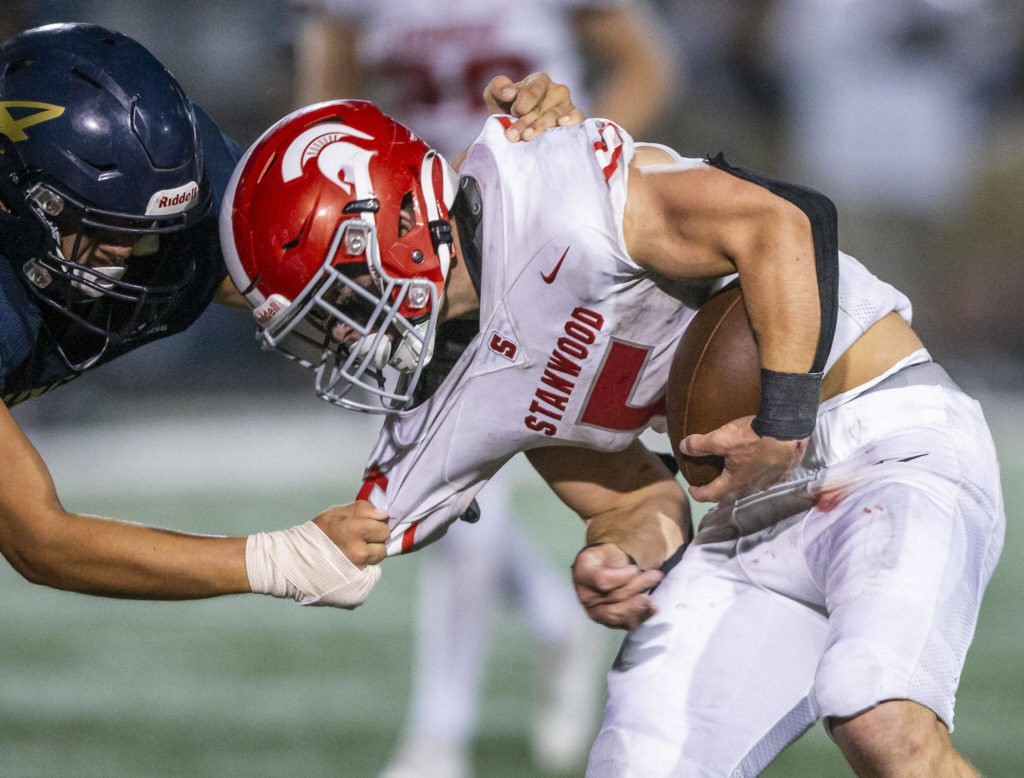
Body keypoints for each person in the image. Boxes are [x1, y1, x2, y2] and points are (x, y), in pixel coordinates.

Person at [221, 98, 1003, 775]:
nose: (346, 336)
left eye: (342, 297)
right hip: (748, 520)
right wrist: (619, 555)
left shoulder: (556, 193)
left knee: (876, 714)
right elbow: (640, 499)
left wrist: (784, 420)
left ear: (396, 221)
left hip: (881, 437)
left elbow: (782, 224)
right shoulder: (460, 397)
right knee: (638, 763)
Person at [0, 24, 575, 612]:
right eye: (105, 228)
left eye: (150, 230)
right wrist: (280, 559)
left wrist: (525, 178)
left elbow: (393, 262)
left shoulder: (190, 192)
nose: (132, 252)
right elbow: (40, 542)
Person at [290, 2, 675, 774]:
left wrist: (580, 171)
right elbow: (322, 113)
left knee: (461, 478)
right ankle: (551, 626)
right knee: (450, 477)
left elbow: (648, 64)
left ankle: (439, 734)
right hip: (415, 256)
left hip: (538, 241)